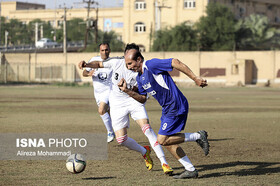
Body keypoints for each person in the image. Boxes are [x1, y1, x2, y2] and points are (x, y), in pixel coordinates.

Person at [121, 43, 209, 179]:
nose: (129, 67)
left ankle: (198, 136)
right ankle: (190, 169)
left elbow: (175, 62)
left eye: (130, 63)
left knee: (162, 140)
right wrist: (127, 91)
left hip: (175, 105)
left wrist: (195, 78)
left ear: (139, 60)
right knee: (169, 142)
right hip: (167, 109)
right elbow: (143, 99)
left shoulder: (151, 65)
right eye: (127, 65)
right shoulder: (140, 77)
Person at [78, 48, 173, 174]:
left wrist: (130, 88)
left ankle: (164, 163)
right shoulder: (117, 62)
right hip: (117, 103)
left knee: (147, 129)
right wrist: (87, 65)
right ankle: (145, 151)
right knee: (121, 140)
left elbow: (142, 95)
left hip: (133, 100)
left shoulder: (141, 70)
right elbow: (99, 64)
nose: (128, 63)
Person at [82, 43, 114, 143]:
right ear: (99, 51)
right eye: (102, 50)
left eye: (106, 50)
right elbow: (84, 72)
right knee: (107, 113)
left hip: (109, 91)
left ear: (109, 50)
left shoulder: (113, 62)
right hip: (97, 92)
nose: (104, 52)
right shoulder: (93, 60)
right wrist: (89, 73)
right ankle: (117, 129)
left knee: (101, 110)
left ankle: (110, 132)